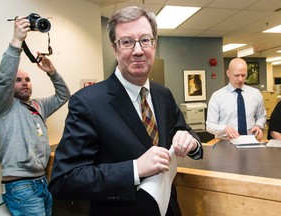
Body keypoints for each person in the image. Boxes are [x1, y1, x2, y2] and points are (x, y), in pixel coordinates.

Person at [48, 6, 203, 216]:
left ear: (154, 45)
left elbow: (183, 131)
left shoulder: (163, 94)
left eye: (145, 40)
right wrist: (134, 169)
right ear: (115, 48)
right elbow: (64, 180)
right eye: (127, 41)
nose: (138, 50)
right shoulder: (88, 102)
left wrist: (191, 142)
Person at [0, 16, 70, 215]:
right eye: (18, 80)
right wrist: (17, 41)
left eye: (27, 79)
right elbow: (3, 80)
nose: (25, 82)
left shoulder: (38, 105)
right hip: (20, 187)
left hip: (42, 182)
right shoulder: (2, 107)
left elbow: (64, 95)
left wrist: (52, 72)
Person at [206, 58, 266, 139]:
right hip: (225, 142)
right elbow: (210, 126)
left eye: (243, 75)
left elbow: (261, 116)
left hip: (250, 141)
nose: (240, 79)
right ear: (228, 73)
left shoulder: (256, 94)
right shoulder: (217, 96)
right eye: (236, 75)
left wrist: (258, 125)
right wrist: (225, 128)